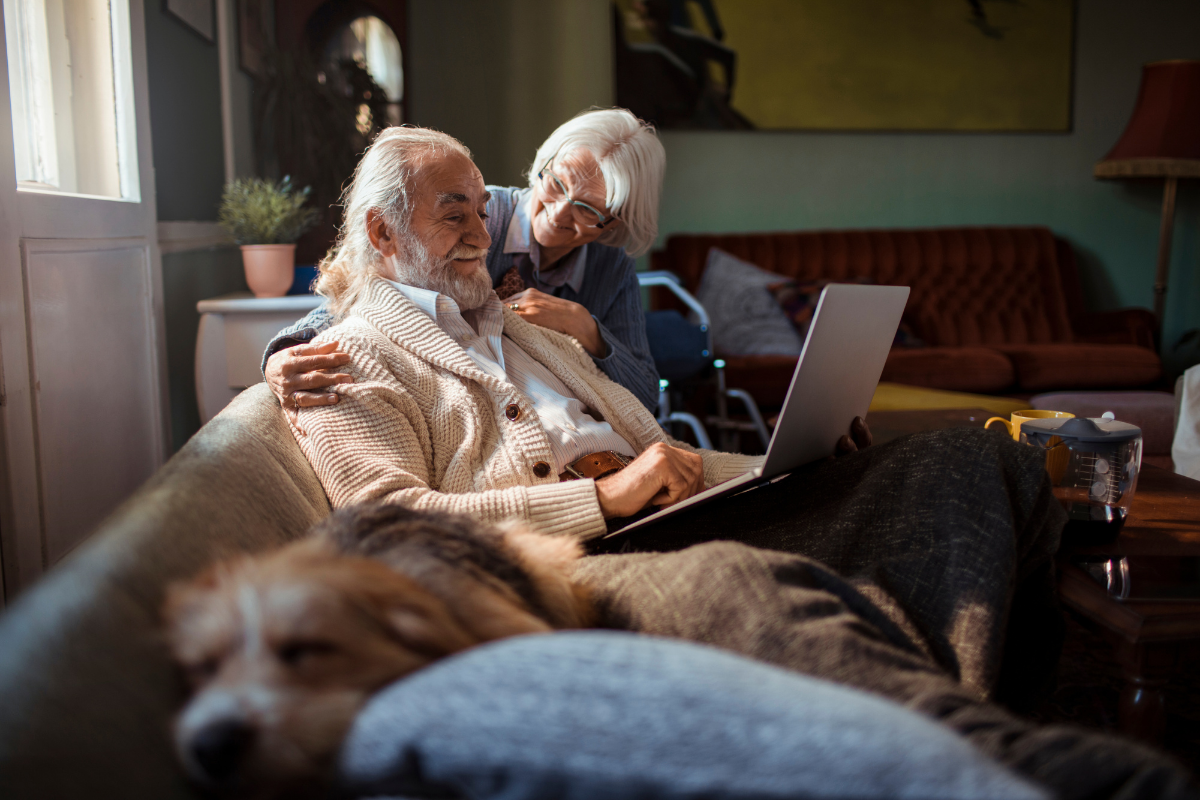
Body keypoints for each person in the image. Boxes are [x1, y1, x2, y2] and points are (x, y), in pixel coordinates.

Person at [283, 126, 1197, 798]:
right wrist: (599, 504)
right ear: (381, 232)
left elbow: (658, 442)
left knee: (973, 463)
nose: (488, 231)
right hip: (590, 553)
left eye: (484, 210)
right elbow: (381, 521)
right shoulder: (349, 359)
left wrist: (782, 463)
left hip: (680, 504)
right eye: (456, 215)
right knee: (745, 589)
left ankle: (957, 722)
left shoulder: (528, 324)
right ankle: (997, 759)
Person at [263, 108, 664, 416]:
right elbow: (364, 287)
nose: (558, 214)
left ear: (617, 222)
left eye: (586, 209)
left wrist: (585, 327)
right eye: (555, 183)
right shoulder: (474, 213)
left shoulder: (610, 266)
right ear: (543, 163)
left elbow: (646, 395)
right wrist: (285, 351)